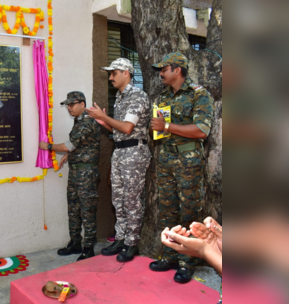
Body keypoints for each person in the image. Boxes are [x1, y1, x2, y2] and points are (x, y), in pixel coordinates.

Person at [149, 52, 214, 283]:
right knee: (167, 209)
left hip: (189, 161)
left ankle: (188, 261)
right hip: (166, 160)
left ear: (177, 70)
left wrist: (166, 125)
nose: (160, 73)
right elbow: (159, 131)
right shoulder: (162, 97)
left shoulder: (199, 94)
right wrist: (157, 127)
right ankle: (169, 255)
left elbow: (201, 130)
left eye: (163, 69)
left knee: (190, 212)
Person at [87, 58, 152, 263]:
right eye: (110, 73)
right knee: (118, 199)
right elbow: (118, 131)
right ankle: (121, 238)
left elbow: (127, 128)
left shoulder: (137, 96)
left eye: (114, 72)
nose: (111, 76)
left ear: (126, 73)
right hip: (120, 151)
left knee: (131, 200)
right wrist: (103, 121)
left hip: (134, 153)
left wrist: (104, 118)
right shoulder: (120, 97)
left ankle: (132, 243)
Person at [39, 92, 101, 262]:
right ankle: (75, 243)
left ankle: (88, 248)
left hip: (86, 173)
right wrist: (69, 156)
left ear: (82, 104)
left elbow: (70, 145)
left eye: (71, 104)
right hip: (76, 171)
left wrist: (48, 146)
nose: (68, 107)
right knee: (73, 209)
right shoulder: (79, 120)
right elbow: (79, 147)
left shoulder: (87, 121)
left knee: (87, 210)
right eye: (67, 105)